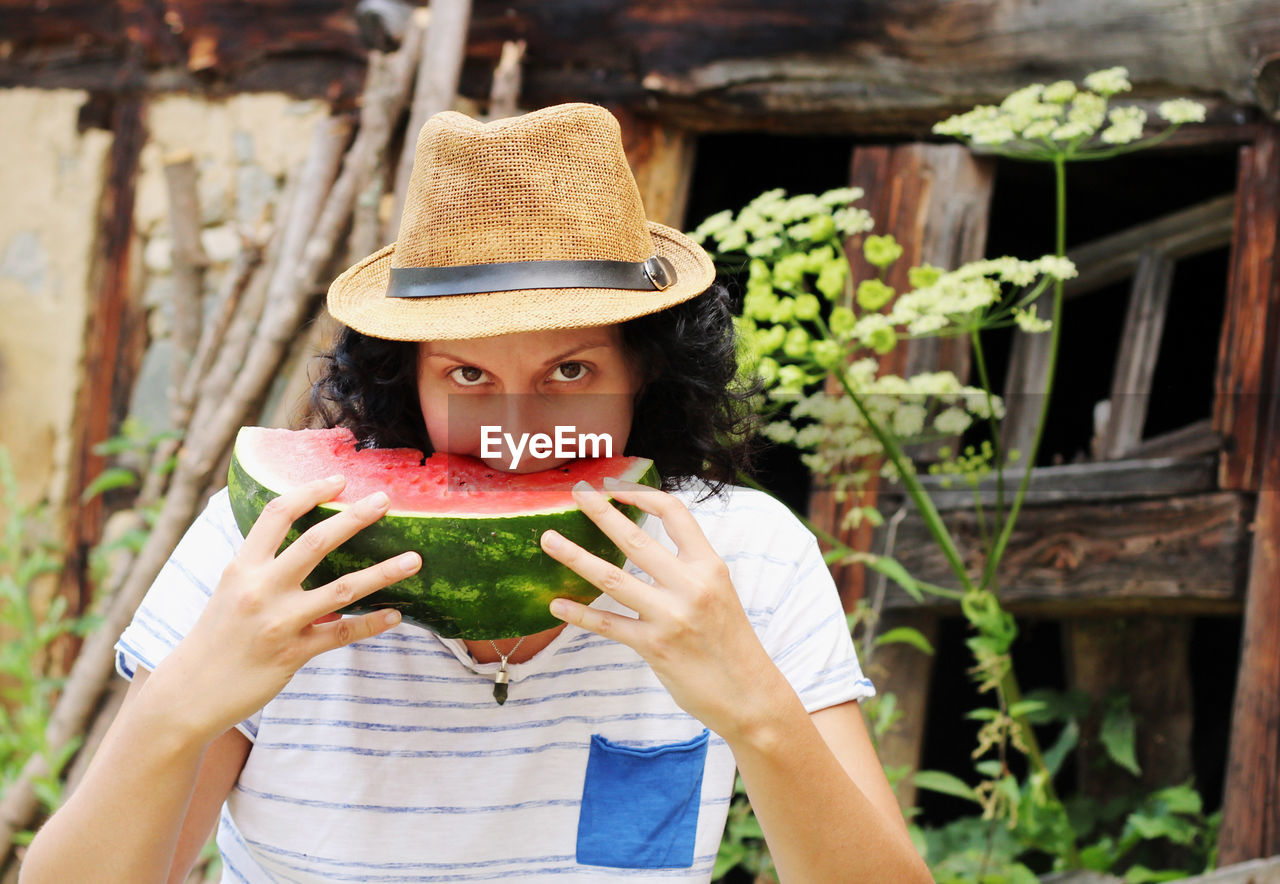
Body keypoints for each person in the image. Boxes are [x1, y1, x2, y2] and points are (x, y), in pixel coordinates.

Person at [20, 102, 931, 883]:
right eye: (465, 375)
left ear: (647, 373)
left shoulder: (748, 556)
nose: (520, 428)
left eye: (570, 369)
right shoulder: (271, 552)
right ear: (403, 380)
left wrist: (757, 709)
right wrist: (185, 702)